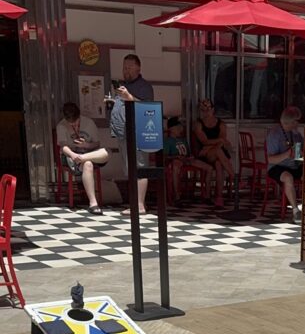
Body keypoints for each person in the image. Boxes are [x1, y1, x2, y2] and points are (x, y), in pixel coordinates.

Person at [109, 54, 154, 215]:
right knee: (129, 169)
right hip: (123, 133)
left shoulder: (144, 87)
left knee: (139, 167)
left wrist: (129, 97)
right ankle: (134, 202)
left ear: (138, 68)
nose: (125, 70)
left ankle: (140, 205)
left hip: (138, 132)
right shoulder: (123, 85)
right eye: (124, 67)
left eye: (129, 67)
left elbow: (148, 108)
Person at [56, 102, 109, 215]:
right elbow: (63, 147)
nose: (74, 126)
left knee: (106, 152)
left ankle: (83, 158)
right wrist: (73, 155)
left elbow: (97, 144)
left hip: (88, 153)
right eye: (71, 124)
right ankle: (93, 203)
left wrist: (86, 146)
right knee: (88, 164)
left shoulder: (89, 123)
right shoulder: (61, 126)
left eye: (75, 123)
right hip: (72, 155)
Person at [266, 106, 304, 222]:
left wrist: (300, 155)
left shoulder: (296, 135)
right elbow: (270, 159)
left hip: (294, 165)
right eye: (296, 121)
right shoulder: (275, 134)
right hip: (277, 167)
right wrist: (287, 154)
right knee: (288, 177)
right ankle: (295, 210)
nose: (298, 123)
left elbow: (298, 157)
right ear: (291, 121)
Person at [194, 99, 234, 208]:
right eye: (203, 109)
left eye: (208, 109)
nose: (206, 112)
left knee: (218, 164)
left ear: (213, 109)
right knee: (218, 152)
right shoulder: (199, 124)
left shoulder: (220, 124)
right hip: (205, 155)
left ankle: (219, 197)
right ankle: (234, 178)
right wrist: (218, 142)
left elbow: (222, 140)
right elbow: (204, 141)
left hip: (213, 151)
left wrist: (212, 146)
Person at [163, 116, 212, 205]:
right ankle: (177, 196)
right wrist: (176, 157)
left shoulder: (183, 139)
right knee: (176, 165)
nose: (181, 128)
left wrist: (191, 157)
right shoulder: (168, 141)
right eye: (178, 126)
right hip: (176, 161)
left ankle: (207, 195)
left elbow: (188, 153)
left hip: (187, 160)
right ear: (172, 129)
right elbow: (165, 156)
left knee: (209, 168)